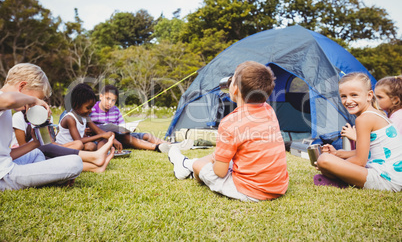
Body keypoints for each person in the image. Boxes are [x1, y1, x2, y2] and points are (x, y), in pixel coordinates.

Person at [168, 61, 289, 201]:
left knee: (201, 165)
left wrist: (206, 165)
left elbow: (220, 172)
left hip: (250, 190)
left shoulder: (230, 123)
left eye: (231, 80)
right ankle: (186, 164)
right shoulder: (268, 110)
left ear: (235, 89)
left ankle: (187, 167)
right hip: (278, 186)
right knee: (221, 157)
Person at [0, 63, 83, 191]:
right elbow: (10, 99)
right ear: (22, 86)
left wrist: (35, 143)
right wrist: (32, 100)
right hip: (4, 176)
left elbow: (5, 155)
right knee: (75, 162)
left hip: (5, 166)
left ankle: (45, 177)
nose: (33, 105)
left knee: (36, 153)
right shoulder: (4, 100)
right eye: (36, 99)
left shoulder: (6, 111)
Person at [315, 72, 402, 192]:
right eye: (344, 96)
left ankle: (340, 180)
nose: (348, 101)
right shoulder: (376, 113)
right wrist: (337, 154)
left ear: (369, 95)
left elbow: (360, 161)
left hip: (386, 180)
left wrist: (333, 165)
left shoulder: (364, 119)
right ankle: (341, 178)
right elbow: (368, 152)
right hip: (394, 178)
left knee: (324, 160)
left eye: (354, 95)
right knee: (330, 158)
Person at [89, 85, 179, 153]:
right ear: (101, 96)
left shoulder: (115, 110)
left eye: (113, 100)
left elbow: (122, 126)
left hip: (118, 135)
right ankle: (157, 147)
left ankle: (171, 145)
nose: (110, 102)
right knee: (128, 138)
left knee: (146, 135)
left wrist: (128, 129)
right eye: (107, 98)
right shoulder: (91, 109)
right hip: (103, 138)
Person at [56, 83, 122, 152]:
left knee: (91, 146)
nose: (90, 111)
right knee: (85, 144)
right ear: (76, 105)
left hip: (78, 145)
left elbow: (98, 131)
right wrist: (102, 136)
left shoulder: (85, 117)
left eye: (91, 108)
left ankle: (98, 154)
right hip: (65, 147)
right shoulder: (70, 118)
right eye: (88, 108)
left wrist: (113, 139)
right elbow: (78, 140)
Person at [341, 75, 402, 141]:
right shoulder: (389, 114)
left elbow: (389, 142)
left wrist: (355, 137)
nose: (374, 99)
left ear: (395, 100)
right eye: (375, 96)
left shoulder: (398, 117)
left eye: (379, 97)